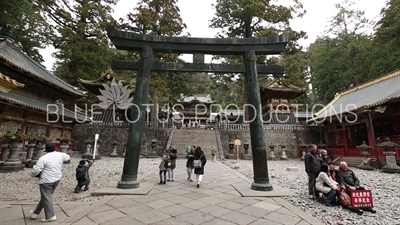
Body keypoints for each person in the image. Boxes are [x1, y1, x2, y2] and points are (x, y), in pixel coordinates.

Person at [30, 142, 70, 222]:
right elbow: (67, 157)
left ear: (46, 149)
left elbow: (36, 170)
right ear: (55, 148)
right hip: (57, 178)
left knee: (46, 196)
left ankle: (50, 216)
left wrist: (33, 175)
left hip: (46, 180)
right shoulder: (60, 155)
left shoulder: (43, 158)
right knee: (46, 196)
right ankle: (35, 213)